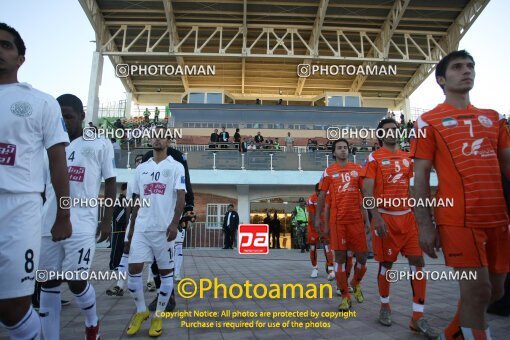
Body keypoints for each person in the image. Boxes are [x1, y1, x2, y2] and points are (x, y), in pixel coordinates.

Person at [411, 50, 509, 339]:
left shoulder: (494, 118)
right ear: (441, 79)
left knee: (495, 292)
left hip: (498, 218)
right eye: (457, 67)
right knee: (478, 291)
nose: (466, 71)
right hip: (458, 219)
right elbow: (419, 178)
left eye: (470, 66)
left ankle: (453, 332)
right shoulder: (426, 122)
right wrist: (425, 225)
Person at [0, 23, 72, 340]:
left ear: (21, 58)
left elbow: (58, 163)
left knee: (13, 308)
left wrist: (64, 215)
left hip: (18, 207)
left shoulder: (40, 102)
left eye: (5, 45)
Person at [38, 94, 116, 340]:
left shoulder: (98, 144)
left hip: (82, 223)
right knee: (48, 283)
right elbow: (41, 187)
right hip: (47, 223)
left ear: (82, 116)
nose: (64, 122)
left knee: (75, 281)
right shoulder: (46, 146)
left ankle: (92, 323)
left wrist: (106, 219)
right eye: (59, 118)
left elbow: (111, 181)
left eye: (69, 117)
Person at [361, 118, 437, 337]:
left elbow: (410, 189)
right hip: (385, 219)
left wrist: (423, 215)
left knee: (418, 263)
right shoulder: (373, 158)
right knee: (386, 265)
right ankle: (385, 306)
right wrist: (377, 218)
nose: (392, 132)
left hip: (408, 219)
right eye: (387, 130)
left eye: (394, 129)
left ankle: (418, 317)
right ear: (380, 136)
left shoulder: (407, 157)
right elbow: (367, 193)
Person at [126, 126, 186, 337]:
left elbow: (181, 198)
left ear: (168, 141)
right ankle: (141, 311)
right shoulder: (142, 168)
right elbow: (135, 201)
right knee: (132, 271)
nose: (157, 139)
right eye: (154, 136)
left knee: (165, 274)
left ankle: (158, 315)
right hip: (142, 228)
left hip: (164, 229)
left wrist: (173, 224)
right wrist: (131, 230)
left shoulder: (176, 166)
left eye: (162, 136)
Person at [316, 139, 370, 312]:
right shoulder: (328, 172)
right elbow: (323, 197)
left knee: (362, 258)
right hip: (338, 222)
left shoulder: (358, 169)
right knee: (339, 259)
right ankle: (345, 296)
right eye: (339, 148)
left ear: (349, 151)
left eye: (345, 148)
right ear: (334, 152)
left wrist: (368, 219)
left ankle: (355, 283)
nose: (343, 150)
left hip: (356, 222)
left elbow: (365, 196)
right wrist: (318, 219)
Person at [106, 154, 144, 297]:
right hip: (135, 222)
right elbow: (128, 205)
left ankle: (152, 281)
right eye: (137, 161)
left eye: (142, 161)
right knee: (126, 252)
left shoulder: (152, 176)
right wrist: (130, 223)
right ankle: (119, 285)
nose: (139, 163)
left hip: (152, 223)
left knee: (153, 257)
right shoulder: (131, 180)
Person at [306, 183, 334, 280]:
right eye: (319, 191)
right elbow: (313, 217)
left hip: (325, 226)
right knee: (313, 247)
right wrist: (318, 231)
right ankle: (315, 268)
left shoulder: (328, 197)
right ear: (316, 191)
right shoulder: (311, 199)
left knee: (327, 247)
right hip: (313, 227)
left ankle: (331, 269)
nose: (321, 193)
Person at [110, 183, 128, 270]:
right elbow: (118, 217)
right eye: (127, 190)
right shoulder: (119, 200)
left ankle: (120, 264)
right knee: (116, 248)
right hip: (118, 230)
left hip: (125, 230)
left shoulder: (128, 200)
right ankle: (113, 265)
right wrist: (126, 209)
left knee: (123, 249)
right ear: (123, 190)